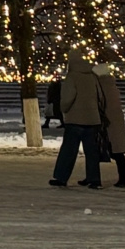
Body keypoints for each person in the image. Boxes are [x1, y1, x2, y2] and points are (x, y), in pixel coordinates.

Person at [50, 50, 103, 189]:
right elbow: (101, 97)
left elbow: (68, 98)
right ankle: (94, 179)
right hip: (92, 120)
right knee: (92, 152)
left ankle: (61, 177)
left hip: (75, 119)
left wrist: (63, 109)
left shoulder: (72, 77)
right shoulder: (92, 76)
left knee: (69, 150)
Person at [83, 63, 125, 188]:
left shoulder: (100, 85)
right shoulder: (111, 84)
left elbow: (98, 102)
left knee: (97, 149)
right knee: (117, 151)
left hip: (105, 121)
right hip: (115, 121)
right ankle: (122, 178)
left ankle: (92, 177)